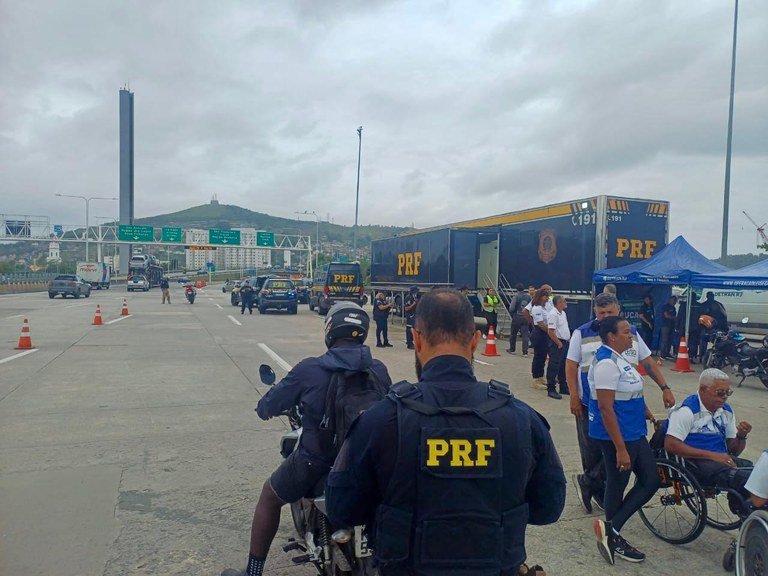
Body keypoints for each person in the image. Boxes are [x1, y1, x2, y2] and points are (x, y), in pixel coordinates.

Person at [325, 289, 566, 576]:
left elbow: (342, 508)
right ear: (475, 340)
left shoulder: (380, 420)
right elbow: (548, 508)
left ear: (416, 338)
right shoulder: (522, 418)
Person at [221, 303, 392, 576]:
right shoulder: (378, 369)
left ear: (330, 329)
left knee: (269, 496)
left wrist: (265, 408)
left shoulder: (310, 370)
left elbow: (268, 406)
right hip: (369, 462)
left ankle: (252, 572)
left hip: (317, 462)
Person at [566, 293, 675, 515]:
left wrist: (665, 387)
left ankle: (593, 488)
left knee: (615, 454)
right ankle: (600, 496)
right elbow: (571, 365)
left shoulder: (630, 333)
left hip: (625, 407)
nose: (605, 315)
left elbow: (647, 362)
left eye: (610, 312)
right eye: (601, 312)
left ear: (618, 310)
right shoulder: (582, 333)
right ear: (595, 312)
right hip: (592, 404)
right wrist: (574, 396)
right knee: (594, 451)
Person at [591, 316, 662, 565]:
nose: (630, 336)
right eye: (625, 332)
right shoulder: (606, 364)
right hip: (617, 436)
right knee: (618, 483)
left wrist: (646, 410)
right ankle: (612, 535)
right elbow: (605, 407)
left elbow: (629, 391)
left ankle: (611, 529)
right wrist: (620, 449)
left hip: (634, 431)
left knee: (650, 480)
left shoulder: (620, 359)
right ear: (612, 336)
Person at [664, 368, 753, 495]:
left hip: (719, 459)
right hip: (695, 462)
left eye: (728, 393)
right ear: (703, 389)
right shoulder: (686, 411)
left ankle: (748, 507)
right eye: (720, 393)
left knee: (753, 471)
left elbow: (733, 451)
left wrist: (741, 436)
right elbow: (671, 445)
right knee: (740, 478)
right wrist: (713, 456)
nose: (725, 397)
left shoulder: (726, 411)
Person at [545, 295, 570, 400]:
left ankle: (563, 387)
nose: (566, 303)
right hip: (557, 343)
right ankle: (551, 389)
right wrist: (559, 343)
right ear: (559, 303)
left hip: (564, 342)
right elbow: (550, 331)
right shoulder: (553, 314)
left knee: (563, 365)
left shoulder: (562, 313)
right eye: (564, 301)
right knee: (554, 365)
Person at [529, 288, 550, 391]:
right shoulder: (537, 308)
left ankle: (541, 376)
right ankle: (536, 379)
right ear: (541, 297)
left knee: (543, 356)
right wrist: (550, 332)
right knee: (538, 356)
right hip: (539, 333)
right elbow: (541, 324)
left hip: (544, 334)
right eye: (546, 296)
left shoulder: (544, 308)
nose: (547, 298)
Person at [507, 283, 532, 356]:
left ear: (516, 289)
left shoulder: (516, 296)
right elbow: (531, 306)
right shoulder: (528, 297)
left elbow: (511, 308)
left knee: (513, 334)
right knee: (525, 335)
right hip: (526, 317)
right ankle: (525, 352)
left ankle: (512, 349)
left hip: (517, 317)